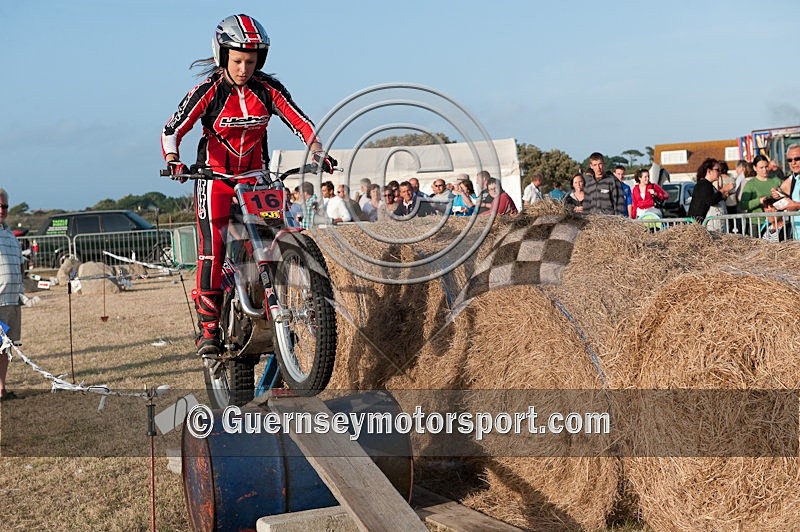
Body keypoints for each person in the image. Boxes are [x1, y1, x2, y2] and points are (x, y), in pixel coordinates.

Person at [161, 14, 338, 356]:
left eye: (251, 61)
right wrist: (173, 160)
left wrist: (318, 151)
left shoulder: (268, 89)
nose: (244, 68)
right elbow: (173, 130)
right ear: (222, 55)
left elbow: (301, 122)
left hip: (256, 178)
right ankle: (209, 327)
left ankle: (301, 305)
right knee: (212, 250)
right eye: (238, 60)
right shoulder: (207, 91)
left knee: (283, 234)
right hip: (214, 179)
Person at [0, 188, 23, 400]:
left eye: (5, 206)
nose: (1, 210)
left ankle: (1, 388)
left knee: (7, 347)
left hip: (12, 301)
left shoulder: (9, 235)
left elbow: (20, 264)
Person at [740, 154, 782, 235]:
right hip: (756, 222)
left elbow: (787, 195)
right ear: (755, 168)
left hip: (775, 221)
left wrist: (779, 194)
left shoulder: (776, 180)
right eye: (761, 168)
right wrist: (759, 201)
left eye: (766, 167)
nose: (765, 170)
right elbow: (743, 204)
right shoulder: (750, 184)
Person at [687, 158, 735, 223]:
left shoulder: (707, 184)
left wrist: (723, 196)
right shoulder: (704, 184)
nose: (719, 172)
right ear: (709, 171)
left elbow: (711, 200)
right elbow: (710, 201)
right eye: (717, 170)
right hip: (698, 225)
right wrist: (723, 190)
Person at [770, 143, 800, 238]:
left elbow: (794, 204)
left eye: (797, 159)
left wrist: (796, 205)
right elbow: (781, 190)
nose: (793, 163)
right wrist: (778, 194)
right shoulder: (793, 179)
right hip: (796, 236)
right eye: (789, 160)